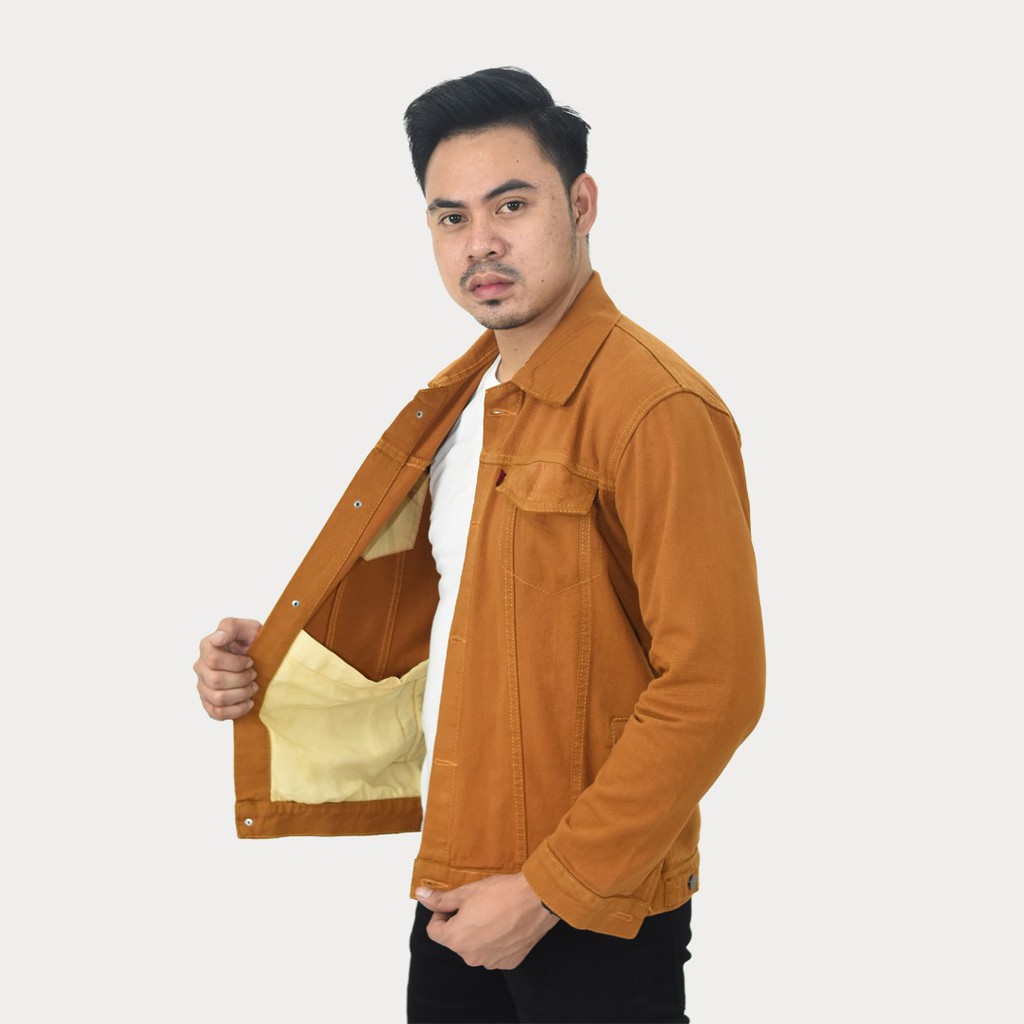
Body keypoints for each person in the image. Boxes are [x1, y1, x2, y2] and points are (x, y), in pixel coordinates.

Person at [194, 66, 765, 1024]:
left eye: (512, 204)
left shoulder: (656, 408)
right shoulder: (467, 405)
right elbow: (473, 625)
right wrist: (282, 662)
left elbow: (716, 685)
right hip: (457, 882)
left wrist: (547, 890)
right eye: (450, 217)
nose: (480, 243)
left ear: (581, 204)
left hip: (591, 910)